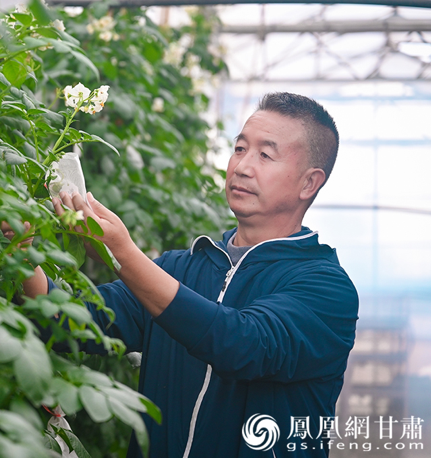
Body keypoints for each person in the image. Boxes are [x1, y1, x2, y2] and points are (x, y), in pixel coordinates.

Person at [19, 92, 358, 458]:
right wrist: (20, 254)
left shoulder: (326, 289)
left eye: (265, 154)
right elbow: (73, 320)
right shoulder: (181, 268)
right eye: (240, 148)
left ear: (309, 183)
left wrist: (123, 254)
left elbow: (241, 344)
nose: (242, 166)